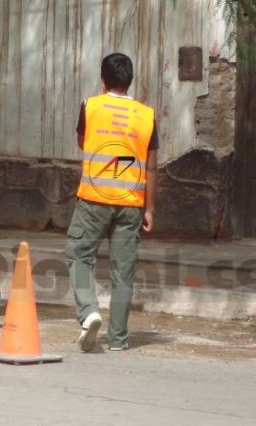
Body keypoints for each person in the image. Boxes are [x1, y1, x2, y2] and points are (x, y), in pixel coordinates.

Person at [66, 53, 158, 352]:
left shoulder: (90, 105)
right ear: (129, 80)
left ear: (103, 79)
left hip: (94, 198)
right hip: (131, 202)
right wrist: (150, 208)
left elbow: (82, 141)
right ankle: (118, 339)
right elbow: (152, 166)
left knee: (79, 255)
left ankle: (89, 312)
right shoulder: (147, 115)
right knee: (123, 270)